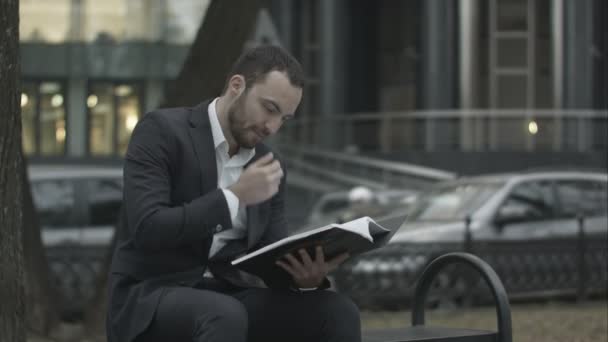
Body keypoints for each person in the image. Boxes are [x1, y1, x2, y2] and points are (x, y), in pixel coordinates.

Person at [106, 45, 361, 342]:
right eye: (269, 109)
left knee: (336, 311)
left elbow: (271, 255)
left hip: (228, 294)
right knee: (223, 314)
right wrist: (235, 196)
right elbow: (148, 228)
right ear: (237, 86)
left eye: (284, 119)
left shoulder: (268, 165)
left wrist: (304, 278)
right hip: (151, 295)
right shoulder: (161, 131)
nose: (273, 127)